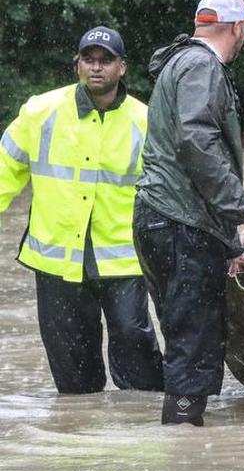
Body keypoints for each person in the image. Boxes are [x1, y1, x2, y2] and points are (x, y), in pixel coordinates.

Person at [0, 26, 163, 394]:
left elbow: (171, 191)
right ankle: (81, 437)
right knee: (74, 378)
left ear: (122, 68)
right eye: (89, 59)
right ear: (77, 65)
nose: (96, 67)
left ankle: (147, 438)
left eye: (106, 60)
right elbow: (4, 171)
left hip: (123, 263)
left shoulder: (147, 121)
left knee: (140, 366)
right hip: (57, 263)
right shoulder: (40, 112)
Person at [133, 0, 244, 426]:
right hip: (178, 224)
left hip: (167, 219)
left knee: (187, 336)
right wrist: (243, 210)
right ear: (237, 28)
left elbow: (190, 166)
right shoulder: (202, 66)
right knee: (194, 342)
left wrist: (229, 245)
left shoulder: (182, 62)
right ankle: (185, 450)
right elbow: (197, 144)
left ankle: (185, 445)